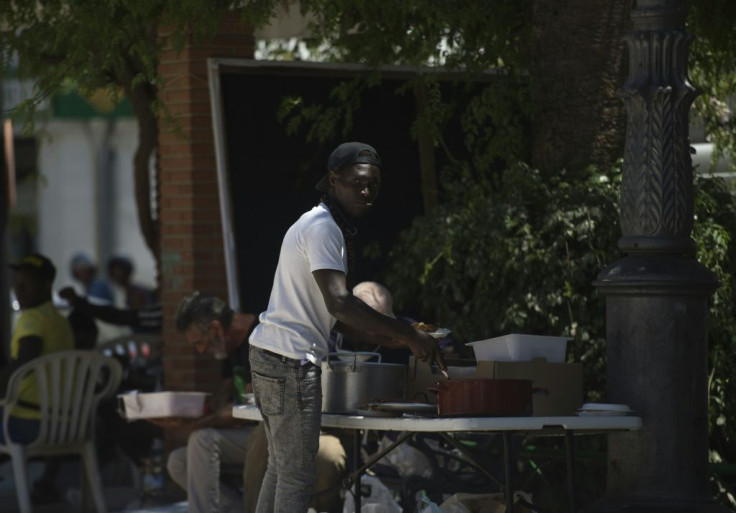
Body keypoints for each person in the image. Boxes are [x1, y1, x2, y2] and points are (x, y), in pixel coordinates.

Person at [248, 141, 446, 513]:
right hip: (291, 363)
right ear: (334, 180)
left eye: (373, 184)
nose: (366, 192)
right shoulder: (324, 228)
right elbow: (340, 301)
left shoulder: (317, 223)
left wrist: (392, 336)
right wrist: (406, 334)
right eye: (357, 183)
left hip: (270, 355)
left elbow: (335, 316)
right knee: (296, 476)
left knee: (281, 468)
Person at [0, 253, 75, 443]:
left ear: (46, 285)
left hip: (30, 421)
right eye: (17, 283)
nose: (18, 289)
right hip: (65, 422)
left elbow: (26, 361)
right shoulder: (60, 321)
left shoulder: (32, 318)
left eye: (26, 283)